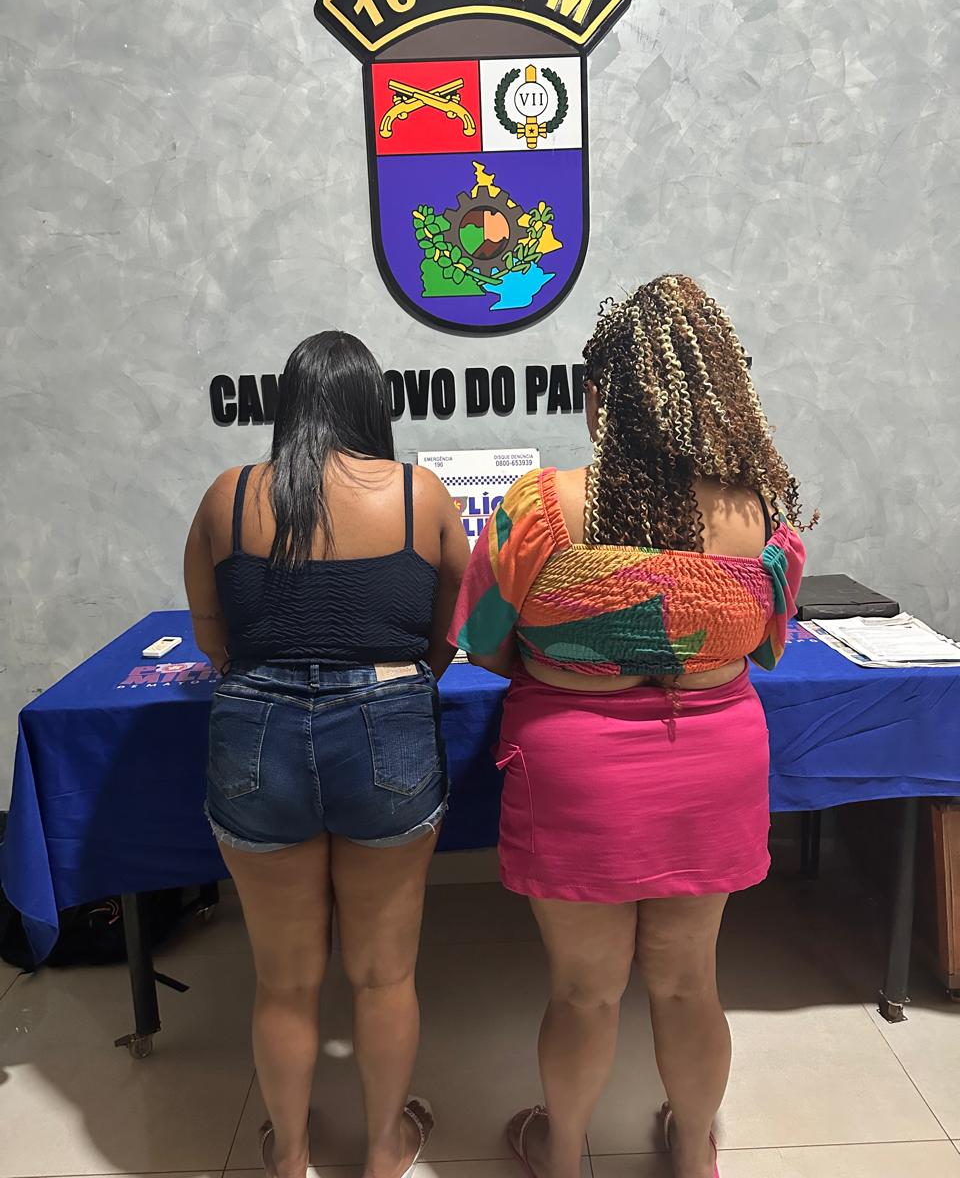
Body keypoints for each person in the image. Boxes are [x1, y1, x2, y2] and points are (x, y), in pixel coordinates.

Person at [449, 275, 811, 1178]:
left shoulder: (540, 508)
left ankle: (561, 1153)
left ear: (603, 395)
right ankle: (691, 1154)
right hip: (714, 763)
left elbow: (483, 643)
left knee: (583, 993)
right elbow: (768, 646)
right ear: (717, 395)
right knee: (690, 984)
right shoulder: (760, 517)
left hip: (576, 770)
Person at [184, 332, 470, 1178]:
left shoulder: (227, 495)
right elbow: (445, 638)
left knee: (282, 981)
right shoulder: (421, 495)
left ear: (289, 406)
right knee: (384, 978)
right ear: (372, 405)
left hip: (256, 728)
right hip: (388, 722)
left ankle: (290, 1155)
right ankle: (384, 1151)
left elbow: (214, 642)